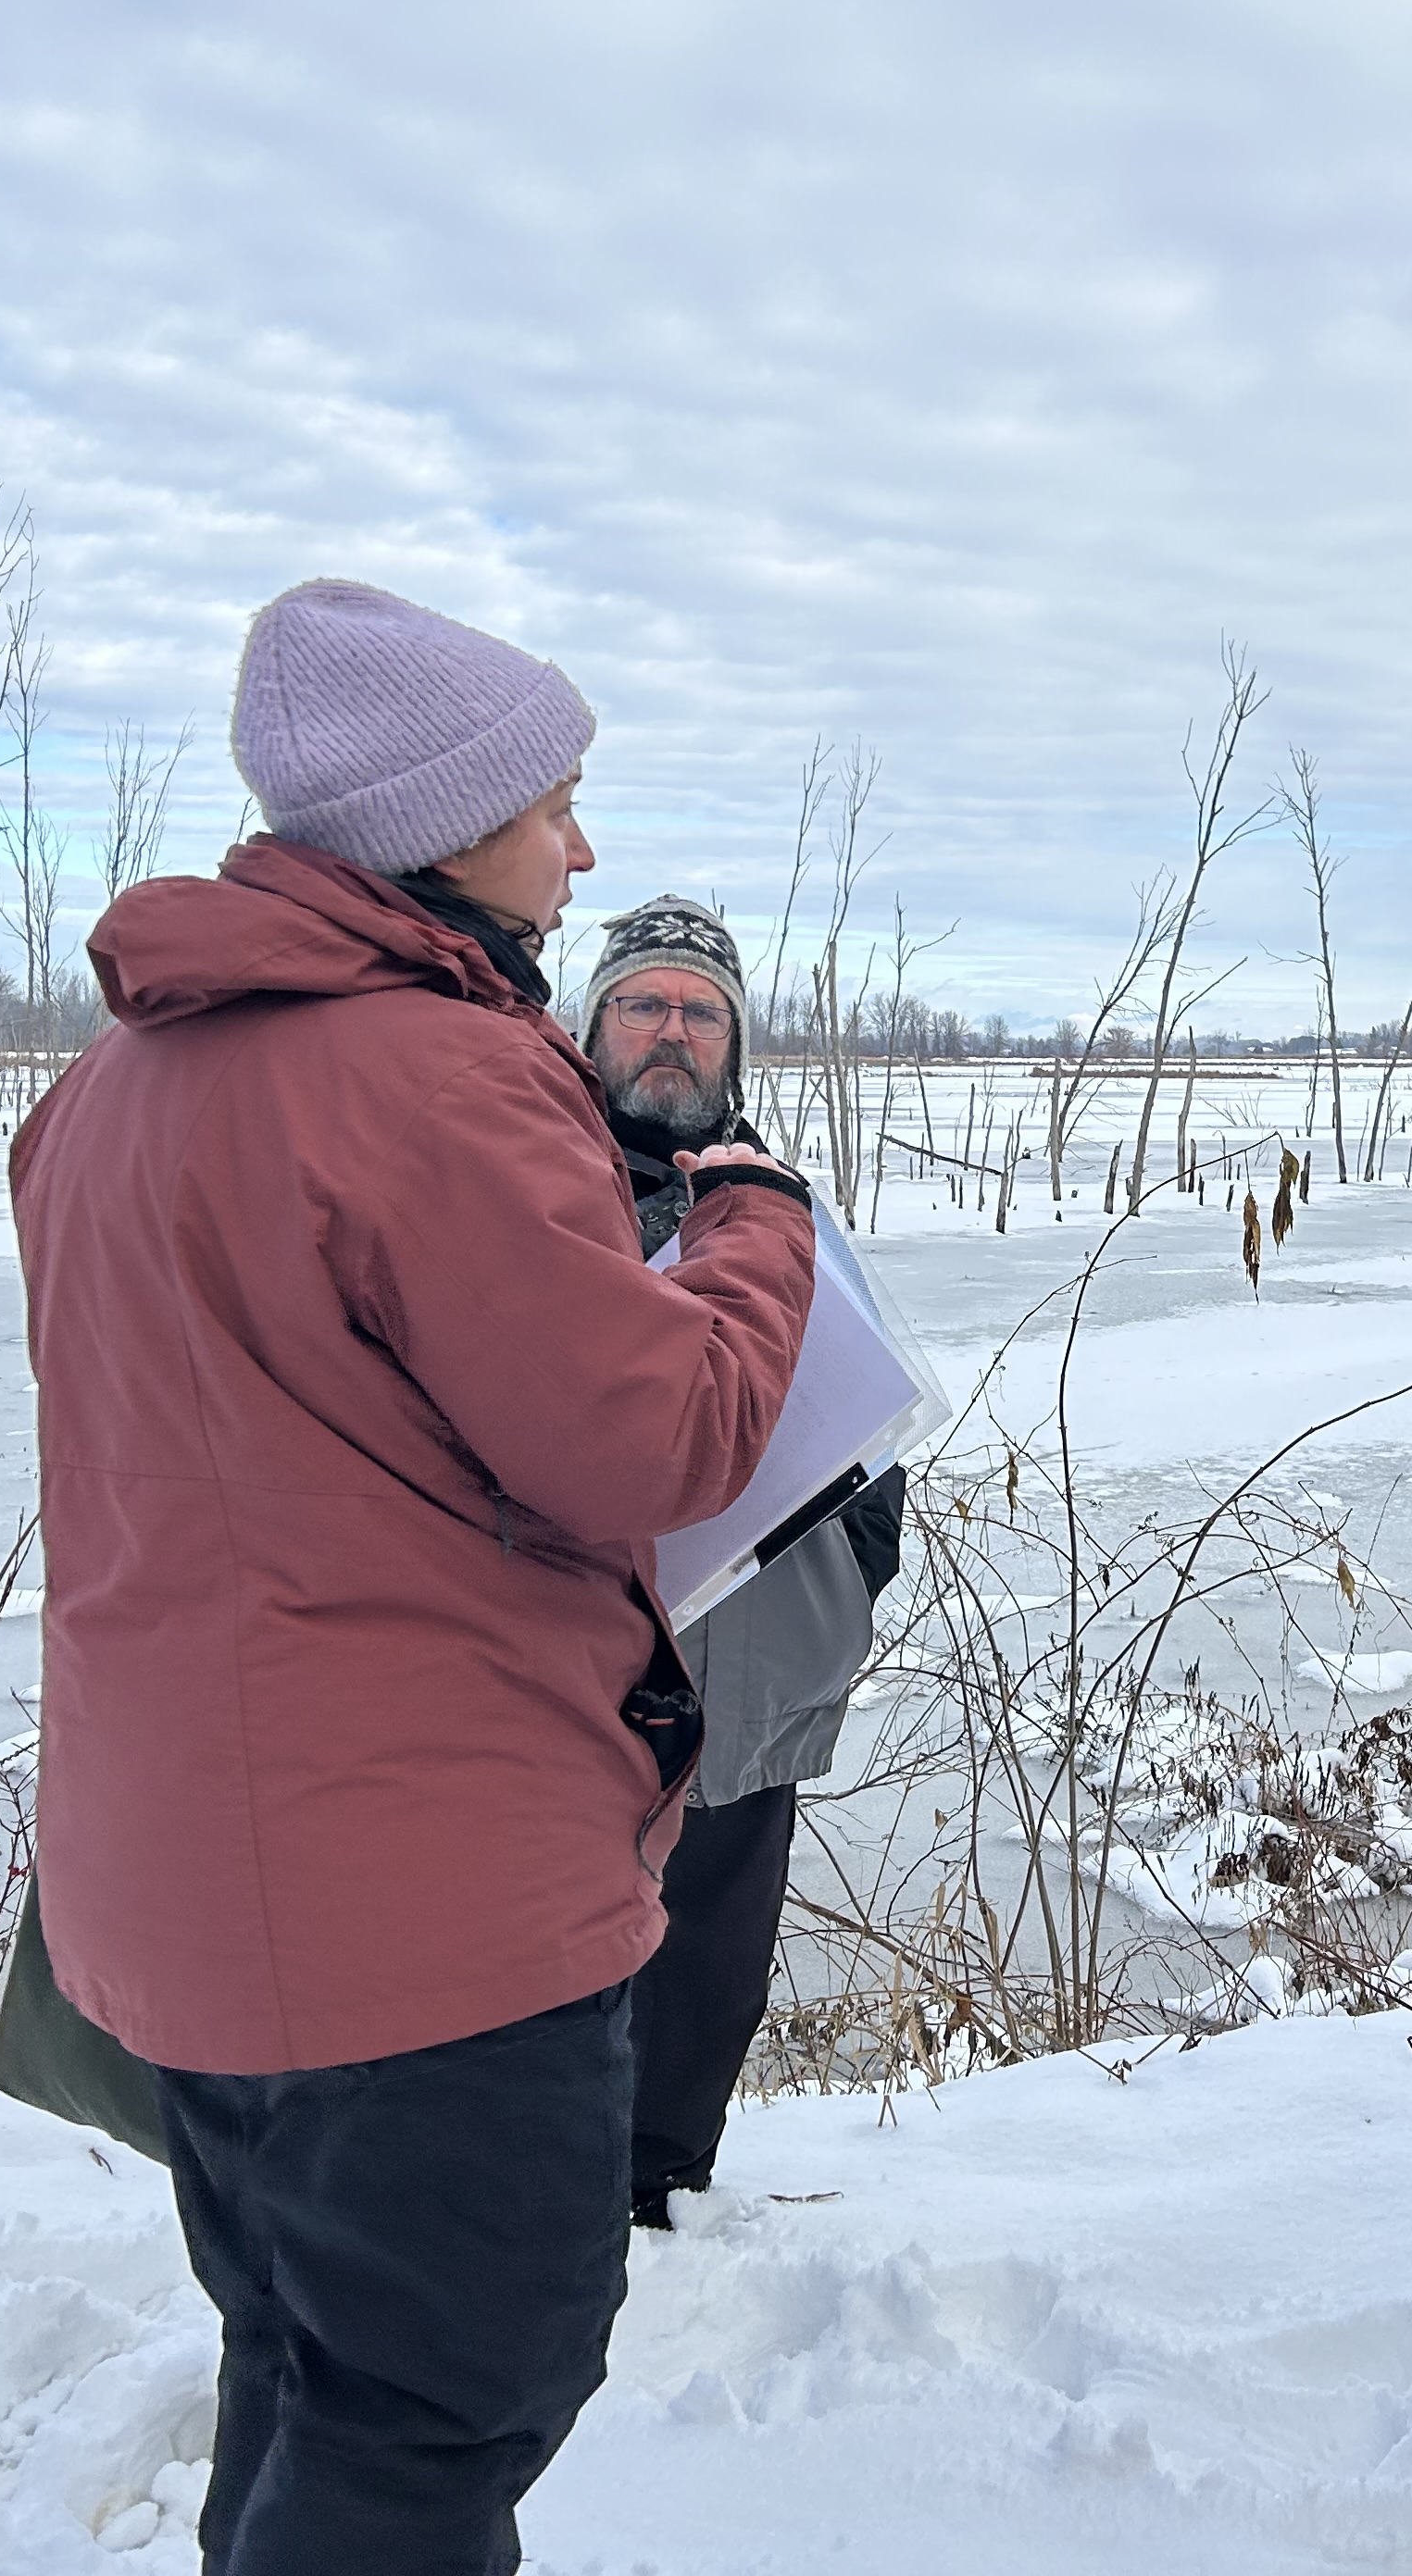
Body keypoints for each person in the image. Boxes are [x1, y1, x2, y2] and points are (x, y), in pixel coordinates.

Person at [10, 579, 816, 2576]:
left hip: (181, 1881)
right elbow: (653, 1440)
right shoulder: (431, 1080)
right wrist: (754, 1239)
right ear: (443, 826)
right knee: (453, 2390)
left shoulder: (105, 1096)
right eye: (557, 798)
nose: (584, 847)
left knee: (308, 2356)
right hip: (413, 1913)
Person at [576, 893, 909, 2228]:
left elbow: (874, 1420)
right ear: (592, 1026)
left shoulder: (781, 1206)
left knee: (711, 1944)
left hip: (759, 1657)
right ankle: (548, 2192)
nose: (672, 1031)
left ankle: (664, 2189)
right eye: (645, 1004)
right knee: (557, 1936)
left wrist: (841, 1580)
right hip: (579, 1656)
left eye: (700, 1011)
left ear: (735, 1044)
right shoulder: (536, 1189)